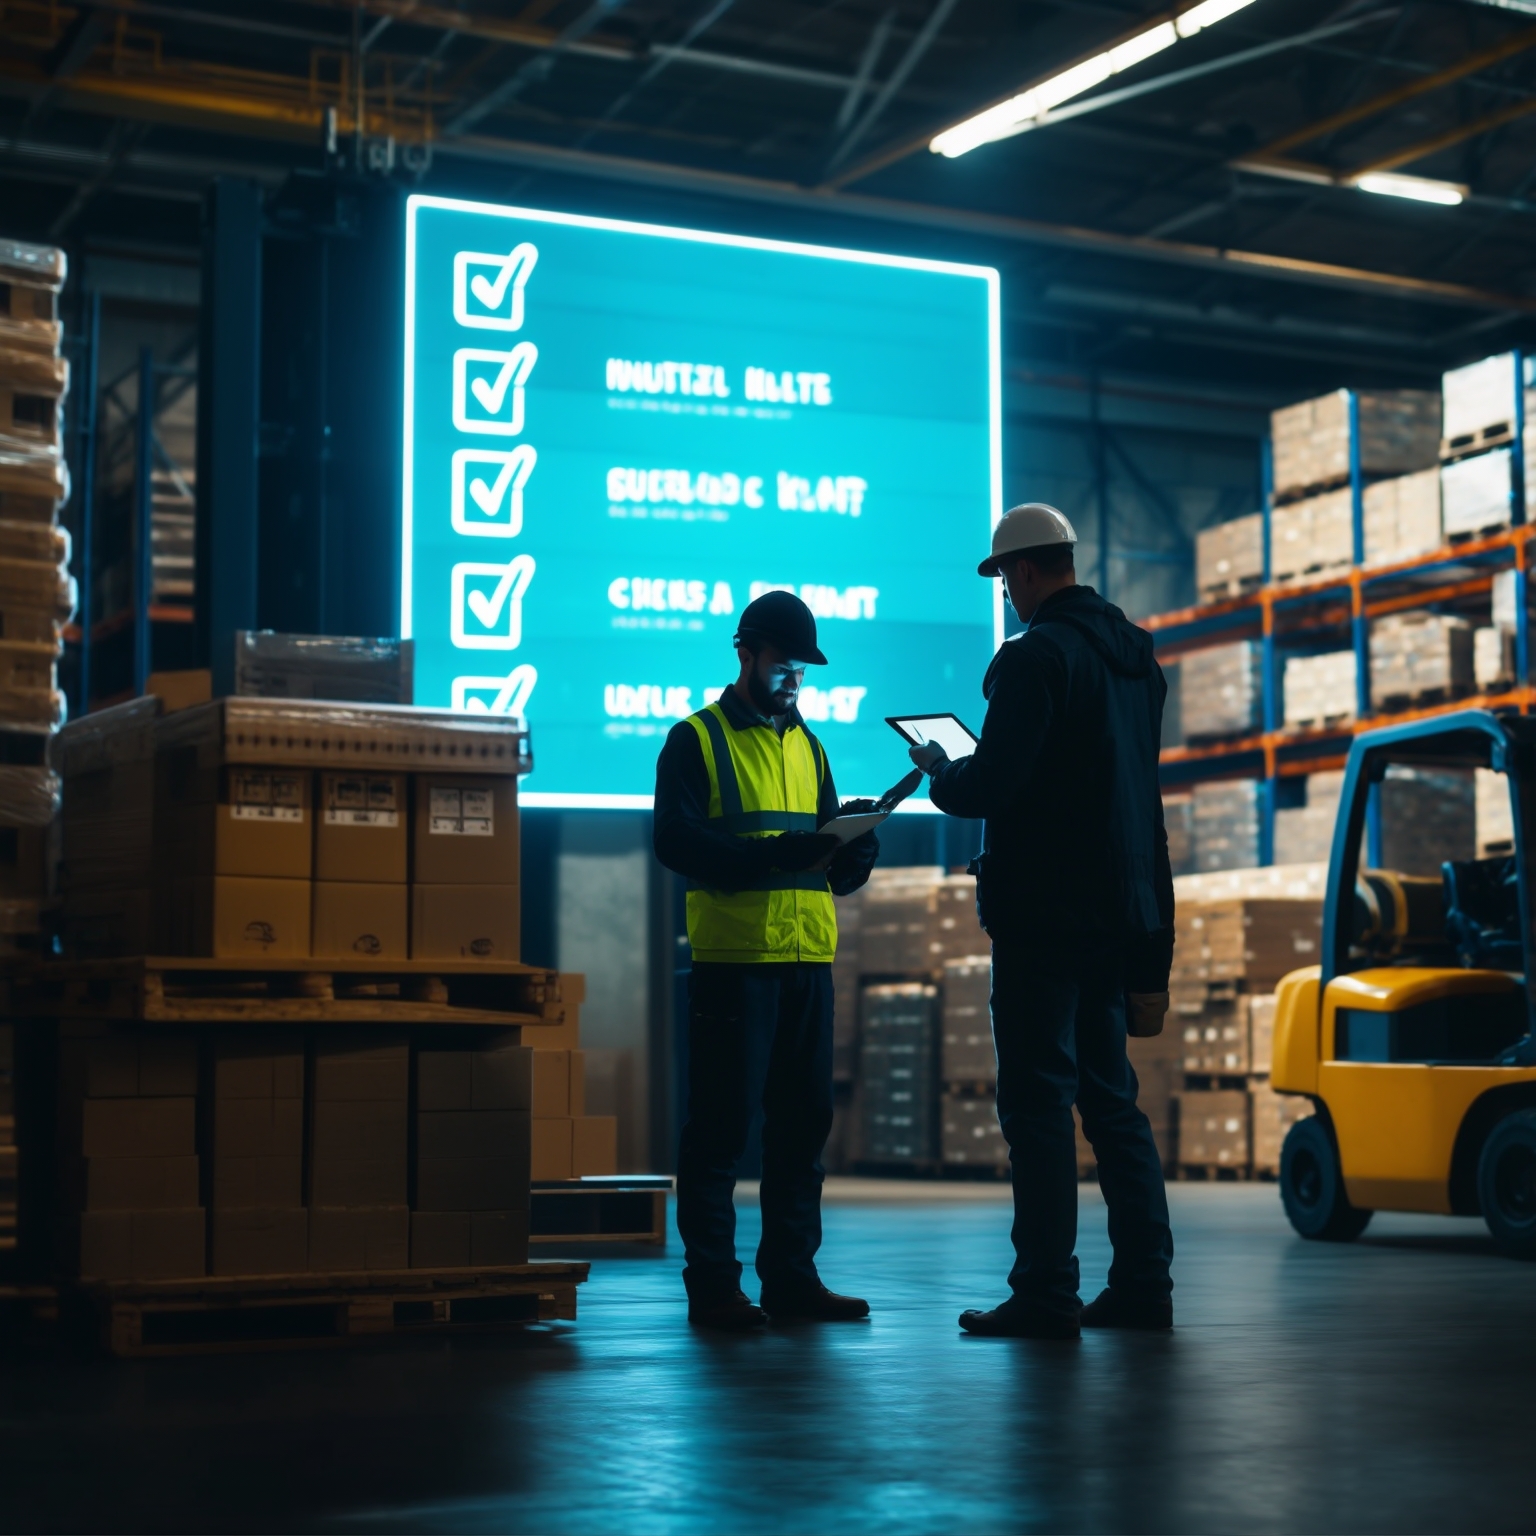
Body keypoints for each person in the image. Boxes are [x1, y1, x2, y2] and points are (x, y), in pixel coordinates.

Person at [909, 503, 1175, 1339]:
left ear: (1023, 573)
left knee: (1036, 1105)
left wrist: (943, 772)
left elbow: (999, 784)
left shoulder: (1034, 659)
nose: (1007, 600)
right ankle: (1142, 1287)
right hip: (1120, 912)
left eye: (1004, 584)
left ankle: (1047, 1292)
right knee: (1113, 1105)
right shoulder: (1136, 660)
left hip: (1044, 915)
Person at [654, 590, 881, 1331]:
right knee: (720, 1131)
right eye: (784, 663)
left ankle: (790, 1278)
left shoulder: (809, 747)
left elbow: (821, 859)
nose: (793, 679)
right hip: (736, 963)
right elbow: (677, 844)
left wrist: (854, 853)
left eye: (803, 670)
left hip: (807, 959)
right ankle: (714, 1287)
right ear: (745, 651)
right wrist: (775, 855)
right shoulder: (695, 739)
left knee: (801, 1127)